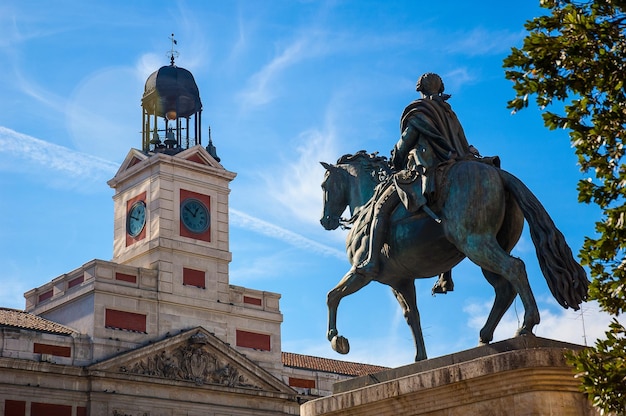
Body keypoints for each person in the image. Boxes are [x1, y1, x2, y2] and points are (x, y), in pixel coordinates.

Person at [353, 73, 478, 293]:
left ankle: (371, 259)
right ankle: (445, 274)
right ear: (440, 88)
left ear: (420, 89)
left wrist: (395, 158)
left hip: (424, 168)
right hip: (453, 163)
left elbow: (406, 141)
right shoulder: (449, 113)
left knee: (380, 208)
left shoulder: (419, 111)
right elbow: (463, 143)